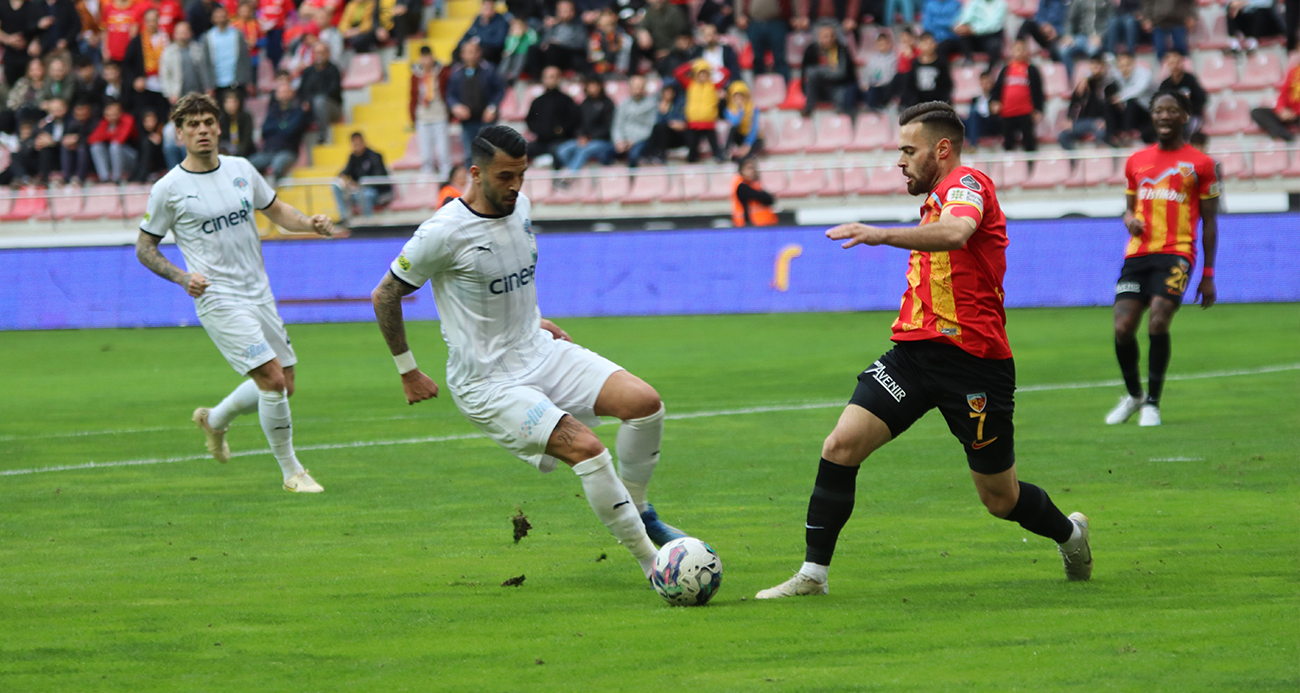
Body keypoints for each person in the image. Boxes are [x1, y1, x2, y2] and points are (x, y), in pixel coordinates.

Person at [755, 101, 1092, 600]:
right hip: (913, 357)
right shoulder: (934, 199)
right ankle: (813, 575)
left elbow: (957, 232)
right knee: (840, 447)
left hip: (974, 365)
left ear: (943, 149)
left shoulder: (968, 185)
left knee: (1000, 499)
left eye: (909, 151)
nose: (900, 161)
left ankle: (1070, 534)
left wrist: (880, 234)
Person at [369, 124, 689, 588]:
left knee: (645, 404)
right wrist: (408, 370)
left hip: (537, 349)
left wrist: (534, 321)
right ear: (475, 174)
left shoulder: (520, 207)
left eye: (521, 175)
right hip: (487, 381)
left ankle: (639, 508)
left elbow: (508, 280)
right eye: (505, 176)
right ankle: (652, 563)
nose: (516, 185)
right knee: (587, 449)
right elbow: (384, 295)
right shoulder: (442, 233)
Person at [137, 93, 335, 493]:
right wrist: (182, 278)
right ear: (179, 133)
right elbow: (145, 248)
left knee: (285, 383)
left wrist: (310, 223)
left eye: (208, 122)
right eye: (192, 125)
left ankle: (214, 420)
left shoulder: (241, 169)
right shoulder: (168, 188)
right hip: (217, 296)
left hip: (258, 291)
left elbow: (277, 211)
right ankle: (292, 473)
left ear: (219, 127)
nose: (202, 130)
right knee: (272, 379)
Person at [1106, 90, 1218, 428]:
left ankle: (1153, 403)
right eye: (1158, 110)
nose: (1164, 116)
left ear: (1184, 116)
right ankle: (1135, 395)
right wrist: (1129, 220)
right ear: (1152, 116)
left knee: (1158, 320)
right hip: (1138, 254)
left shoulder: (1201, 164)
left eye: (1171, 110)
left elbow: (1210, 222)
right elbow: (1128, 209)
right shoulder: (1136, 161)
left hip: (1177, 252)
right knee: (1122, 327)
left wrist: (1208, 274)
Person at [446, 41, 503, 168]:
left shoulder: (489, 70)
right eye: (467, 52)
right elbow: (450, 94)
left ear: (479, 53)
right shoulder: (456, 73)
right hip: (467, 120)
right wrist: (456, 106)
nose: (470, 56)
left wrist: (492, 107)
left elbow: (499, 90)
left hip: (486, 119)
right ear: (462, 54)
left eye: (473, 52)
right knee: (470, 154)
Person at [555, 76, 616, 175]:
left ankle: (570, 176)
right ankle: (573, 173)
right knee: (562, 150)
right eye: (590, 85)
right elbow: (578, 124)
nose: (592, 88)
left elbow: (608, 127)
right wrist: (580, 136)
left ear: (600, 86)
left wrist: (590, 137)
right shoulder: (584, 104)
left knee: (584, 151)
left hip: (603, 141)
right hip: (584, 140)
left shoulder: (608, 103)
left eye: (595, 85)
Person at [248, 79, 308, 180]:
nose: (284, 95)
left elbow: (290, 131)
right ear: (276, 94)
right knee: (249, 164)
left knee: (278, 165)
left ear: (292, 93)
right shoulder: (272, 111)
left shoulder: (298, 111)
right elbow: (265, 130)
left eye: (286, 91)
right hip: (269, 151)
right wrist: (282, 126)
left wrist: (277, 127)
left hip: (288, 151)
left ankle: (278, 189)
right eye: (281, 92)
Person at [989, 38, 1041, 152]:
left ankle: (1031, 162)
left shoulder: (1031, 70)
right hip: (1007, 112)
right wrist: (994, 101)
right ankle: (1010, 162)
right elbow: (997, 89)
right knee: (1008, 143)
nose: (1019, 52)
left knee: (1029, 142)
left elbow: (1038, 91)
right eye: (1017, 49)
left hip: (1026, 112)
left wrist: (1038, 109)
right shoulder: (1006, 70)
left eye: (1022, 49)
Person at [673, 57, 727, 163]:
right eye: (700, 73)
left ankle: (719, 157)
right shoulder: (690, 84)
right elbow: (678, 73)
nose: (702, 76)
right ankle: (692, 160)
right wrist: (691, 65)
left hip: (708, 121)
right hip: (694, 121)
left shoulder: (713, 86)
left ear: (708, 75)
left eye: (705, 73)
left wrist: (713, 67)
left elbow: (726, 74)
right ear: (696, 74)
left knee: (714, 144)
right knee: (693, 145)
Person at [410, 45, 452, 176]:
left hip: (439, 115)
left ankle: (446, 177)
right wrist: (413, 116)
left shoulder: (442, 72)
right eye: (423, 57)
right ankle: (428, 180)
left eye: (428, 57)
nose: (426, 60)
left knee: (443, 153)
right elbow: (413, 96)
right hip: (423, 117)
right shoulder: (416, 75)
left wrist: (450, 113)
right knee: (426, 155)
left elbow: (448, 92)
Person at [524, 65, 579, 164]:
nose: (552, 80)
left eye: (555, 77)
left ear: (559, 79)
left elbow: (573, 120)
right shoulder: (538, 101)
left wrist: (561, 130)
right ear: (543, 79)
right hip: (541, 141)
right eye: (549, 77)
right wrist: (539, 131)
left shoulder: (567, 100)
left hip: (561, 141)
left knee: (558, 151)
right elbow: (530, 120)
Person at [1058, 55, 1116, 150]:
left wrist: (1105, 120)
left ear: (1103, 67)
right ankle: (1076, 158)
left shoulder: (1109, 85)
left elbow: (1109, 106)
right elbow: (1074, 103)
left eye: (1098, 66)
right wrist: (1069, 119)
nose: (1096, 69)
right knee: (1063, 136)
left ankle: (1099, 158)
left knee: (1101, 134)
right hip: (1082, 122)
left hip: (1099, 121)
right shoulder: (1084, 84)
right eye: (1093, 65)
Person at [334, 131, 393, 222]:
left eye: (358, 144)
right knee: (336, 185)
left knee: (365, 193)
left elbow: (378, 178)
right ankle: (345, 218)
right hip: (357, 191)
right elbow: (346, 171)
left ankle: (366, 222)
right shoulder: (353, 157)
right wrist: (343, 178)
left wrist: (359, 184)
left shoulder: (375, 156)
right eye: (354, 145)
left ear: (363, 142)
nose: (356, 147)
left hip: (375, 192)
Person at [801, 22, 858, 117]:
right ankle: (809, 109)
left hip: (837, 86)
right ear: (819, 37)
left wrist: (820, 72)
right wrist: (829, 70)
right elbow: (808, 73)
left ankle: (842, 118)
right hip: (818, 88)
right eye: (825, 36)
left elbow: (842, 73)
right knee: (812, 75)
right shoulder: (811, 50)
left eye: (831, 36)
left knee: (842, 96)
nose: (829, 39)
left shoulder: (841, 49)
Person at [733, 0, 793, 82]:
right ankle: (759, 86)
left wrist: (797, 15)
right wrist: (739, 15)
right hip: (754, 22)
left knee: (780, 58)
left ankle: (785, 85)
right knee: (757, 58)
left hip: (776, 21)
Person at [297, 42, 343, 144]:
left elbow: (333, 91)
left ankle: (323, 134)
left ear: (328, 53)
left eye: (322, 52)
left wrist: (311, 101)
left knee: (319, 101)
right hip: (310, 106)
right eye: (317, 52)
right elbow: (301, 91)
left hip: (331, 107)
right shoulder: (308, 71)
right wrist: (306, 102)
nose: (320, 55)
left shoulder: (334, 70)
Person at [160, 21, 216, 104]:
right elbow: (165, 76)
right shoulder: (168, 53)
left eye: (185, 33)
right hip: (178, 94)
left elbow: (205, 69)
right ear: (174, 35)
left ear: (191, 33)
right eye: (179, 33)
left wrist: (208, 87)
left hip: (198, 93)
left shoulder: (198, 49)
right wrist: (169, 94)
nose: (182, 36)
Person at [204, 4, 253, 98]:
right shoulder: (208, 37)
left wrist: (248, 81)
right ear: (213, 19)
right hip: (217, 83)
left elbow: (245, 58)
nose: (221, 19)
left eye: (223, 16)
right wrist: (208, 84)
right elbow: (205, 62)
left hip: (236, 81)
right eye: (218, 16)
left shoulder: (237, 34)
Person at [1108, 52, 1155, 145]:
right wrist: (1085, 78)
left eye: (1127, 65)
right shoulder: (1118, 74)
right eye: (1121, 66)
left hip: (1145, 112)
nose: (1124, 68)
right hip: (1127, 113)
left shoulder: (1144, 73)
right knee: (1109, 104)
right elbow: (1104, 72)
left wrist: (1120, 97)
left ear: (1133, 63)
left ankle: (1127, 134)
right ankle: (1111, 136)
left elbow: (1138, 90)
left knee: (1131, 102)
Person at [1156, 50, 1206, 137]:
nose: (1175, 66)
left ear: (1182, 63)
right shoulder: (1165, 85)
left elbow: (1202, 99)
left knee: (1185, 130)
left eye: (1177, 62)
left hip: (1191, 116)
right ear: (1167, 65)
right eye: (1172, 63)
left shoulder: (1190, 80)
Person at [88, 98, 138, 182]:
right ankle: (104, 178)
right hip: (112, 159)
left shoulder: (128, 119)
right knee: (96, 146)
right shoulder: (104, 122)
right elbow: (91, 139)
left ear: (120, 112)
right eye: (109, 114)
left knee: (115, 146)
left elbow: (121, 139)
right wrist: (110, 133)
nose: (112, 117)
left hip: (131, 157)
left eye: (115, 114)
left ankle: (116, 178)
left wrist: (108, 134)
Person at [612, 73, 657, 167]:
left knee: (634, 156)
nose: (637, 90)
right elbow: (618, 124)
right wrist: (619, 140)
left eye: (640, 87)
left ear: (644, 88)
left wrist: (633, 141)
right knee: (604, 153)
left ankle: (633, 175)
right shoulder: (623, 104)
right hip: (624, 140)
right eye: (635, 87)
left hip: (642, 140)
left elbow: (650, 127)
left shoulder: (651, 104)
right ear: (630, 88)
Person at [1058, 0, 1109, 80]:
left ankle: (1090, 81)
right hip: (1081, 36)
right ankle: (1071, 80)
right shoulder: (1078, 1)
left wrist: (1100, 36)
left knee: (1093, 50)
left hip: (1099, 37)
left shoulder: (1107, 2)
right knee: (1063, 50)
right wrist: (1068, 35)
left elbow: (1110, 21)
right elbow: (1070, 19)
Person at [1250, 61, 1300, 142]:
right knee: (1257, 112)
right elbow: (1283, 95)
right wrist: (1281, 110)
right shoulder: (1294, 72)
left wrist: (1295, 113)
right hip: (1289, 113)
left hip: (1296, 114)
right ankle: (1285, 136)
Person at [898, 32, 951, 109]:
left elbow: (946, 84)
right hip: (919, 101)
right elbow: (910, 85)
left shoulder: (941, 62)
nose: (928, 46)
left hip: (936, 101)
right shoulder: (915, 63)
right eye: (925, 43)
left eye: (930, 43)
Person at [950, 0, 1006, 67]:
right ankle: (968, 61)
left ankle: (991, 69)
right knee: (963, 34)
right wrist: (961, 26)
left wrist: (974, 30)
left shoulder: (1000, 4)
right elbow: (967, 16)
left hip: (991, 35)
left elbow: (994, 25)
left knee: (994, 45)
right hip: (976, 35)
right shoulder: (975, 2)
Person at [641, 83, 685, 163]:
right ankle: (652, 154)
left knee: (662, 128)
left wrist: (668, 115)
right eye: (666, 92)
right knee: (658, 128)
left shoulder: (678, 105)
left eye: (670, 93)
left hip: (675, 136)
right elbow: (655, 122)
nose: (668, 95)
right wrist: (662, 112)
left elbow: (680, 123)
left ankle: (660, 155)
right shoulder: (657, 106)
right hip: (660, 136)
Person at [731, 155, 776, 227]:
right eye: (749, 168)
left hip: (762, 224)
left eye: (754, 168)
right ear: (741, 170)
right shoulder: (742, 186)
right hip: (751, 225)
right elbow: (768, 199)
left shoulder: (753, 184)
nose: (753, 171)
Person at [723, 80, 762, 160]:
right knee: (733, 129)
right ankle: (727, 152)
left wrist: (747, 144)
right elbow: (735, 123)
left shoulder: (753, 108)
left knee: (756, 144)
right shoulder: (729, 109)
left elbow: (754, 128)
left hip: (750, 137)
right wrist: (740, 111)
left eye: (741, 96)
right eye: (736, 97)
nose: (739, 99)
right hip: (739, 137)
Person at [861, 32, 898, 112]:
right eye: (880, 44)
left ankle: (883, 107)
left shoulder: (894, 58)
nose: (882, 46)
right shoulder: (872, 59)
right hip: (874, 85)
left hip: (886, 85)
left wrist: (881, 83)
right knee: (870, 90)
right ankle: (871, 109)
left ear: (889, 44)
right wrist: (866, 83)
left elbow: (893, 75)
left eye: (884, 44)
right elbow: (867, 73)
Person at [129, 108, 169, 180]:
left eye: (152, 120)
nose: (150, 124)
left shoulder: (162, 131)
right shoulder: (140, 134)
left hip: (160, 164)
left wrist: (159, 142)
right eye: (147, 121)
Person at [964, 70, 997, 147]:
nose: (985, 85)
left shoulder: (995, 98)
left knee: (974, 113)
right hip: (976, 123)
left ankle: (973, 144)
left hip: (989, 124)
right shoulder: (976, 99)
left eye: (987, 83)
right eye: (983, 83)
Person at [499, 16, 537, 83]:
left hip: (523, 53)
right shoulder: (511, 36)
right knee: (507, 56)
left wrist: (524, 34)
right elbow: (509, 47)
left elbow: (533, 41)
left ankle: (514, 76)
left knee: (520, 59)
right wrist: (516, 38)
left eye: (519, 27)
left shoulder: (528, 34)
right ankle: (501, 74)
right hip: (512, 53)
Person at [218, 89, 255, 156]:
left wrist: (238, 153)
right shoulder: (221, 119)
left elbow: (246, 140)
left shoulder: (246, 117)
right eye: (227, 102)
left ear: (238, 103)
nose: (230, 105)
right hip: (227, 153)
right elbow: (221, 139)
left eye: (233, 102)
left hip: (246, 153)